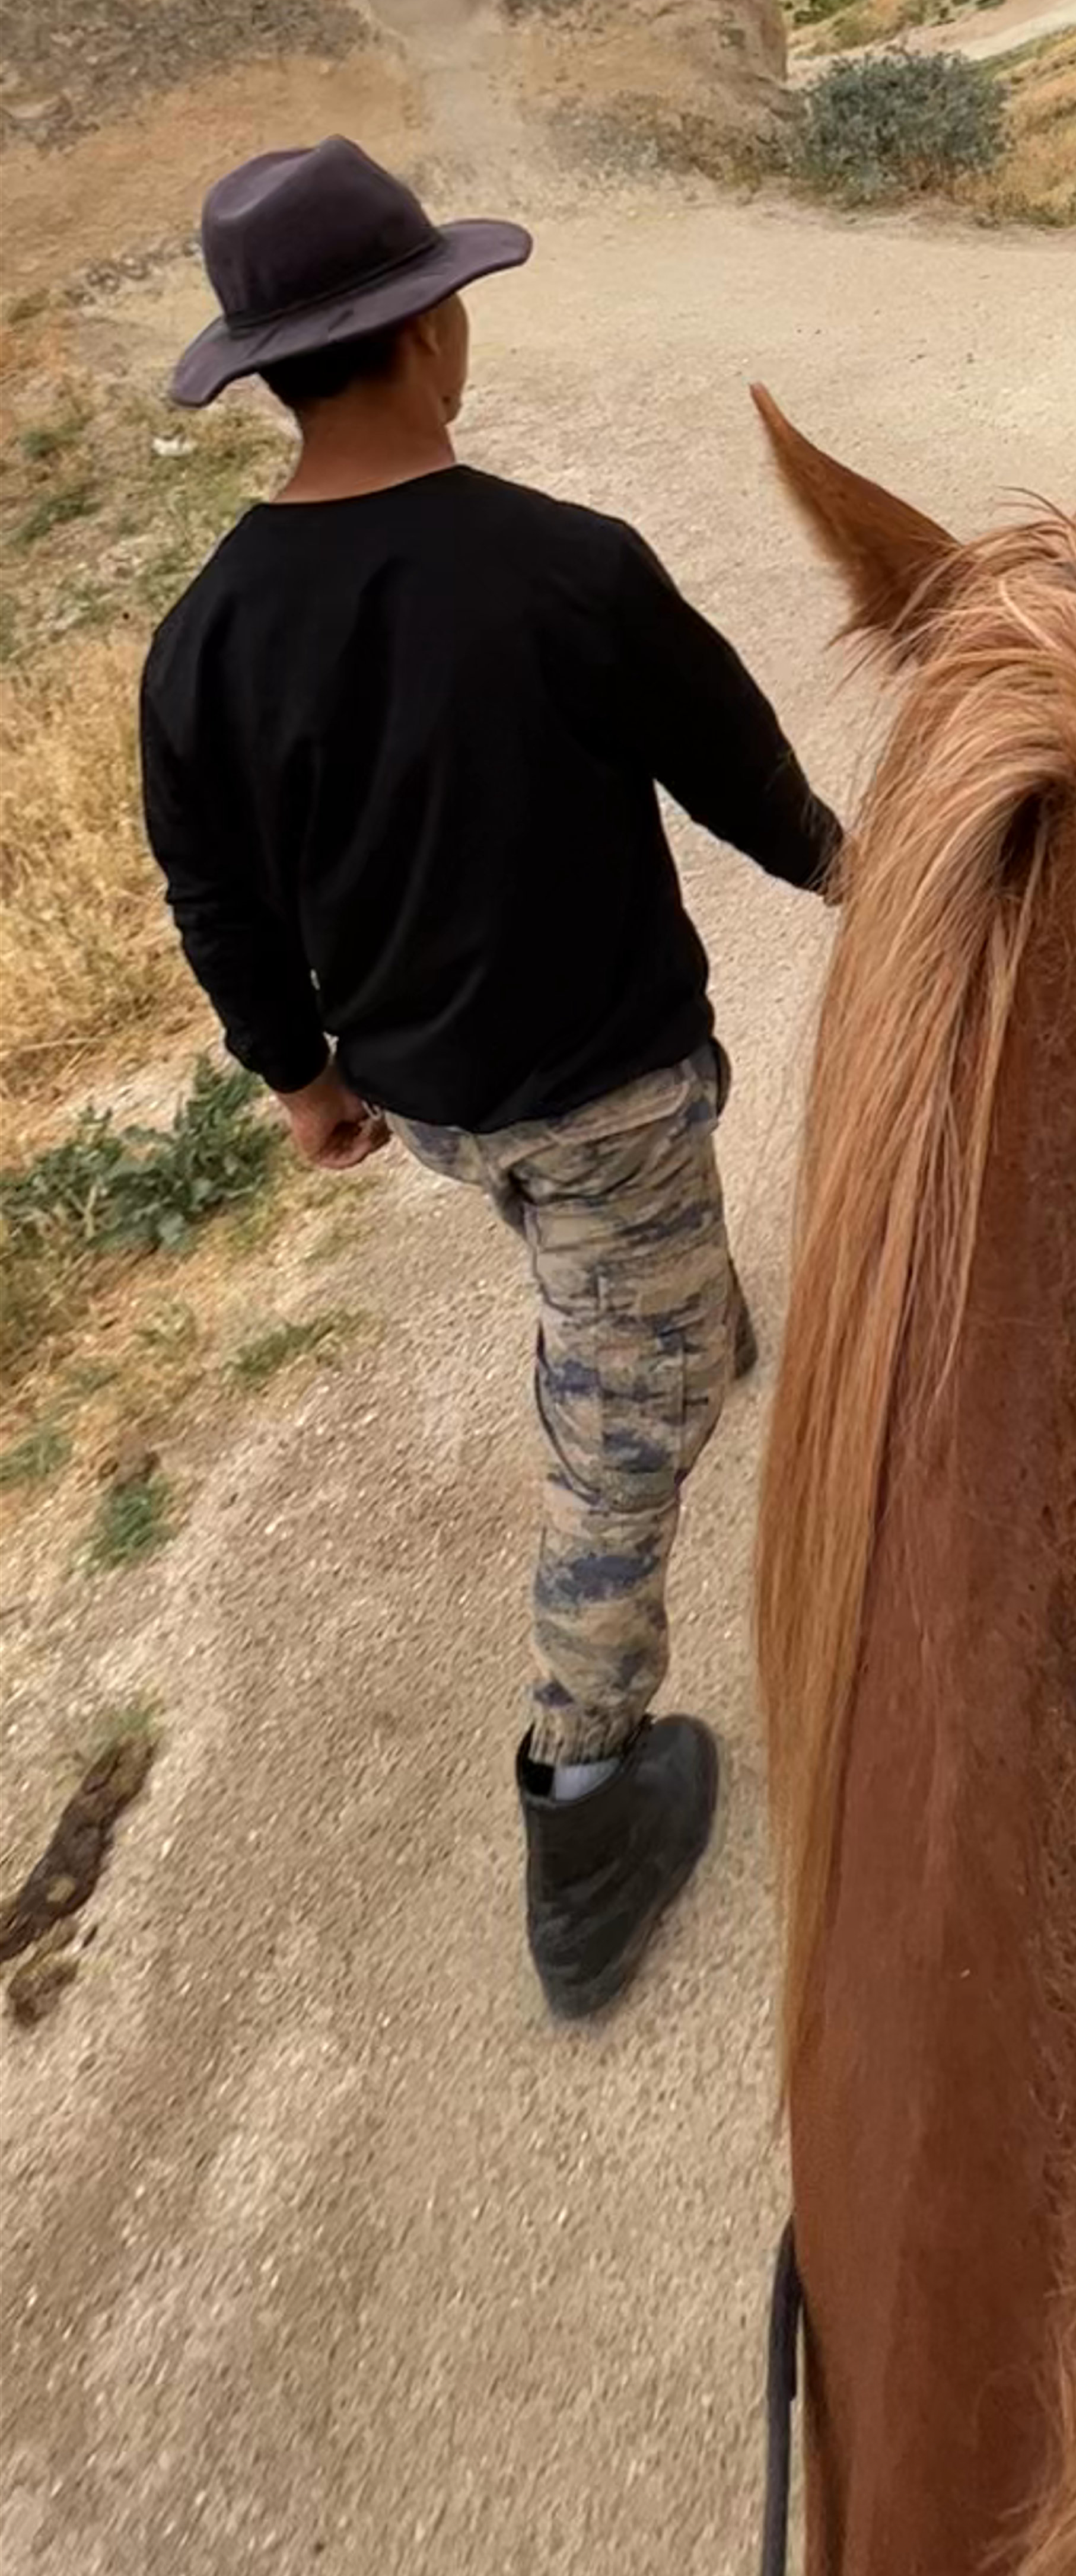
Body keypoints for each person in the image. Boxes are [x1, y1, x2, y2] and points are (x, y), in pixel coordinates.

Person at [139, 138, 842, 2021]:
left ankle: (680, 1323)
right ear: (434, 330)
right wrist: (878, 876)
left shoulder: (203, 636)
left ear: (268, 374)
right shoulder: (564, 569)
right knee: (621, 1449)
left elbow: (215, 895)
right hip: (605, 1099)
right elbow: (746, 782)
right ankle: (586, 1801)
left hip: (435, 1105)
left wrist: (300, 1078)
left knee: (611, 1268)